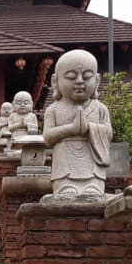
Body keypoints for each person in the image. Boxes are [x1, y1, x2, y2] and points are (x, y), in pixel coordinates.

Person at [42, 50, 112, 196]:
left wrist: (89, 129)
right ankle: (66, 186)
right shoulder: (53, 110)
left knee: (93, 192)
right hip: (64, 167)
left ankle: (92, 186)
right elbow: (48, 137)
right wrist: (71, 129)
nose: (80, 81)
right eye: (71, 77)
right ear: (55, 81)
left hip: (93, 166)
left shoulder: (100, 109)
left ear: (97, 81)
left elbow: (108, 134)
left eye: (86, 76)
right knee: (67, 192)